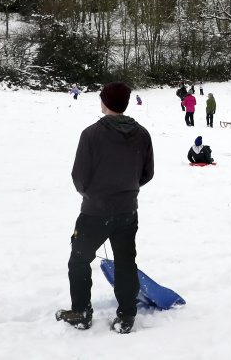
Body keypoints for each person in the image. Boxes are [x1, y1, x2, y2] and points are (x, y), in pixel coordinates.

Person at [56, 81, 154, 334]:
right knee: (125, 262)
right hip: (127, 211)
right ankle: (127, 316)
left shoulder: (91, 134)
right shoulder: (142, 134)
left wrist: (94, 195)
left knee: (78, 260)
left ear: (106, 102)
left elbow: (79, 176)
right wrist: (127, 188)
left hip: (95, 212)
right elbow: (147, 173)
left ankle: (81, 311)